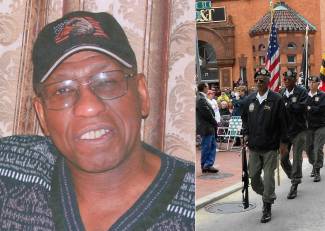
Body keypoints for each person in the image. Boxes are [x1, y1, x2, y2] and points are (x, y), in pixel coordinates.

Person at [0, 11, 195, 230]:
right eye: (63, 90)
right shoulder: (9, 166)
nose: (88, 107)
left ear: (142, 95)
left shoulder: (190, 204)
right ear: (42, 115)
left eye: (107, 81)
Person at [241, 68, 288, 223]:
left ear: (268, 81)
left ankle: (267, 205)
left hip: (270, 147)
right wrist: (246, 133)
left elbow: (283, 124)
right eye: (257, 80)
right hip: (254, 147)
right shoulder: (249, 100)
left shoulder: (277, 99)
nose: (259, 83)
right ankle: (267, 195)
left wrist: (283, 143)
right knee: (253, 179)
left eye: (262, 80)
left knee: (268, 179)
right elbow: (245, 120)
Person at [279, 70, 308, 200]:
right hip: (285, 131)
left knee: (297, 158)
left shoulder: (301, 92)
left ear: (294, 80)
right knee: (283, 159)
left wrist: (288, 105)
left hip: (299, 130)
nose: (286, 81)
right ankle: (294, 176)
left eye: (288, 79)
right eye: (284, 79)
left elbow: (302, 107)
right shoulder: (281, 94)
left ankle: (295, 183)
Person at [305, 76, 325, 182]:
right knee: (308, 149)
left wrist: (309, 108)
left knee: (317, 149)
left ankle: (317, 170)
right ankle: (313, 164)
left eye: (313, 82)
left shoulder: (322, 95)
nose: (311, 84)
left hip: (320, 126)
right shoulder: (305, 95)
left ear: (318, 84)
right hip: (308, 127)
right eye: (310, 82)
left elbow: (321, 109)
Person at [196, 83, 219, 173]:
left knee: (211, 145)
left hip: (208, 126)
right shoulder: (201, 99)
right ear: (204, 88)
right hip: (206, 126)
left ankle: (208, 164)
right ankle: (206, 165)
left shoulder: (202, 97)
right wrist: (214, 121)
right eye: (207, 87)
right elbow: (207, 113)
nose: (208, 88)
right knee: (207, 146)